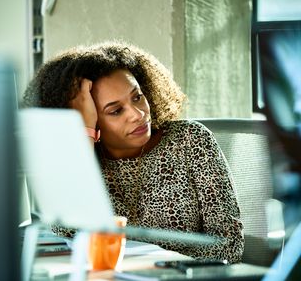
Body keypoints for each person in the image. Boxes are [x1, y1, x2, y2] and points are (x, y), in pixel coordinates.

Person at [23, 41, 244, 263]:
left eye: (137, 97)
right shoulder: (85, 161)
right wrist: (84, 133)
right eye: (116, 111)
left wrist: (165, 270)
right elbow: (66, 228)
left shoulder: (190, 140)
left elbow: (229, 244)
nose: (138, 114)